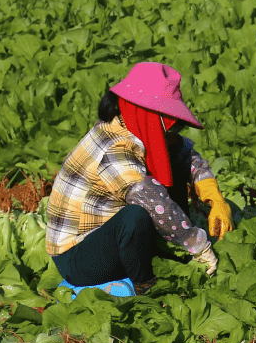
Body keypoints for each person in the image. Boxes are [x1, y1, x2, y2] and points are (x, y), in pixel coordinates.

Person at [46, 62, 233, 294]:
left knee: (169, 162)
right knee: (135, 216)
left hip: (109, 237)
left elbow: (185, 155)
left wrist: (212, 194)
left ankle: (166, 252)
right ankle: (145, 285)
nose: (171, 128)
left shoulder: (136, 126)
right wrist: (200, 247)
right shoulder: (115, 148)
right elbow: (153, 202)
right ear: (149, 115)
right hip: (78, 256)